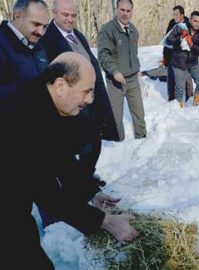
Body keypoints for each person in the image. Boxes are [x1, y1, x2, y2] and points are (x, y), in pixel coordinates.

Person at [1, 52, 138, 269]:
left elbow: (60, 159)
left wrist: (90, 193)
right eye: (86, 91)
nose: (90, 100)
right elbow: (47, 193)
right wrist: (105, 221)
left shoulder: (43, 102)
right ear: (61, 85)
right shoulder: (19, 115)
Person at [39, 0, 120, 227]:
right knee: (69, 155)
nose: (70, 19)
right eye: (65, 14)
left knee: (94, 146)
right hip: (69, 110)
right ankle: (73, 196)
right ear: (54, 13)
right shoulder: (47, 40)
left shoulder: (78, 36)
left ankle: (85, 186)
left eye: (74, 15)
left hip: (89, 105)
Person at [98, 0, 147, 141]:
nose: (125, 14)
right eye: (122, 10)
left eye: (128, 11)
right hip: (115, 81)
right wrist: (114, 71)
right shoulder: (107, 30)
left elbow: (133, 53)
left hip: (132, 80)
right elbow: (103, 54)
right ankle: (118, 145)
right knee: (115, 117)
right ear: (117, 9)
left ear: (132, 11)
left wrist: (135, 67)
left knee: (139, 113)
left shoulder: (133, 30)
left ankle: (142, 140)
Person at [0, 0, 49, 100]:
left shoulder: (39, 47)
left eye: (45, 26)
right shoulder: (2, 44)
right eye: (36, 24)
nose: (41, 32)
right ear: (18, 15)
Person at [166, 11, 199, 108]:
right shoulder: (180, 27)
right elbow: (168, 40)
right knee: (180, 88)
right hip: (179, 62)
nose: (197, 23)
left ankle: (196, 104)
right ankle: (178, 107)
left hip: (193, 63)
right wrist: (180, 38)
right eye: (195, 21)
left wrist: (192, 45)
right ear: (190, 20)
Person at [162, 5, 194, 101]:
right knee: (171, 75)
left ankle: (189, 95)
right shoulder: (172, 23)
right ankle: (171, 98)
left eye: (176, 15)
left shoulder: (188, 24)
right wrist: (165, 56)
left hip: (184, 55)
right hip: (171, 54)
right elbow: (166, 39)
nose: (174, 17)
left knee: (187, 75)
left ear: (182, 15)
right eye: (173, 14)